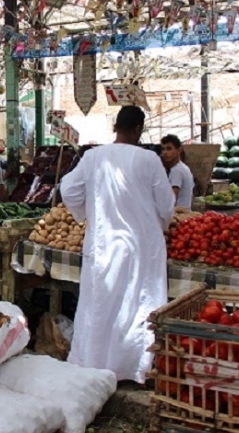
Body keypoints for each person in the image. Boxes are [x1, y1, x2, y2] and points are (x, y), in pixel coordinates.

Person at [59, 105, 174, 384]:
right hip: (142, 246)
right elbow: (167, 205)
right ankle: (135, 366)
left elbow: (68, 189)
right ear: (138, 129)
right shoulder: (148, 159)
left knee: (100, 305)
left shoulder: (93, 156)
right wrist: (161, 223)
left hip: (103, 244)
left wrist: (86, 213)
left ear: (116, 127)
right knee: (137, 305)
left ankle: (96, 365)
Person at [161, 134, 194, 210]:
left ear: (179, 150)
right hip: (187, 212)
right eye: (163, 149)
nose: (165, 152)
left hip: (179, 213)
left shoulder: (176, 171)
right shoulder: (184, 167)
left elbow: (172, 198)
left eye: (169, 149)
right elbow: (192, 196)